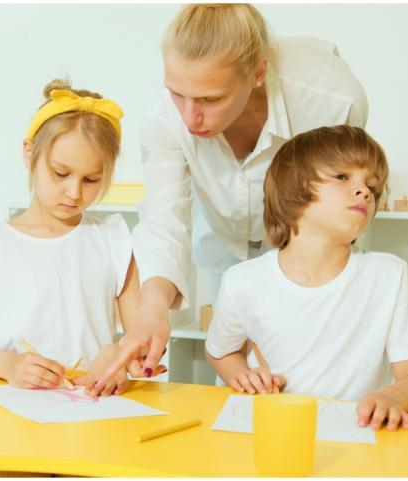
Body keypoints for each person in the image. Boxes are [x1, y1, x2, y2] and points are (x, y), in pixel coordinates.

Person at [99, 4, 368, 386]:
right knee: (238, 373)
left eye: (210, 100)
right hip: (222, 235)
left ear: (258, 73)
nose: (190, 117)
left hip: (312, 237)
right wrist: (152, 308)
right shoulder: (163, 116)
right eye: (177, 94)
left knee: (313, 364)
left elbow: (339, 199)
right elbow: (164, 218)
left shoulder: (331, 99)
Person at [206, 125, 408, 431]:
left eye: (372, 186)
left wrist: (393, 395)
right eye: (343, 177)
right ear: (293, 187)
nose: (364, 191)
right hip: (273, 429)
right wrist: (241, 375)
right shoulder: (243, 281)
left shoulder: (389, 275)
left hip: (356, 438)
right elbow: (221, 350)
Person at [0, 79, 159, 397]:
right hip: (12, 410)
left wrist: (121, 359)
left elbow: (141, 334)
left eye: (92, 179)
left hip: (93, 408)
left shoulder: (112, 241)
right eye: (61, 173)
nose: (74, 192)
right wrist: (9, 366)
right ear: (29, 153)